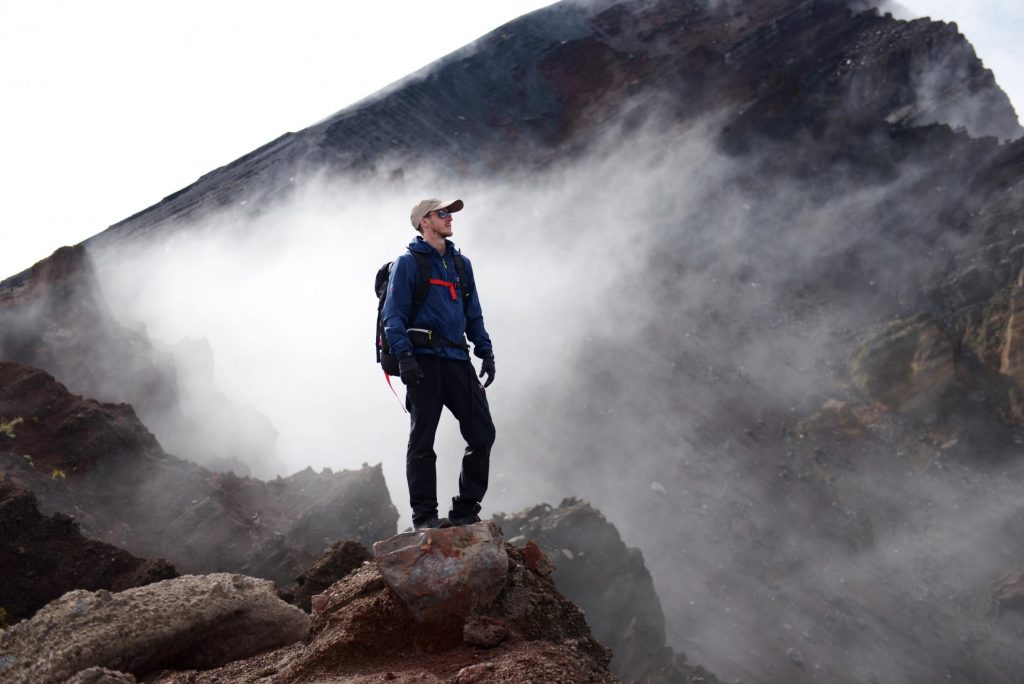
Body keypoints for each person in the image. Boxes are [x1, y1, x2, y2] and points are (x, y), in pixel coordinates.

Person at [381, 198, 496, 530]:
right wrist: (404, 356)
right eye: (442, 213)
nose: (449, 219)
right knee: (422, 440)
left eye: (450, 214)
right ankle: (425, 517)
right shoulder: (408, 263)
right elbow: (393, 316)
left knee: (482, 433)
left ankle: (465, 508)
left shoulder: (461, 264)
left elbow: (473, 313)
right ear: (423, 222)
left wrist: (485, 351)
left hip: (458, 359)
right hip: (423, 362)